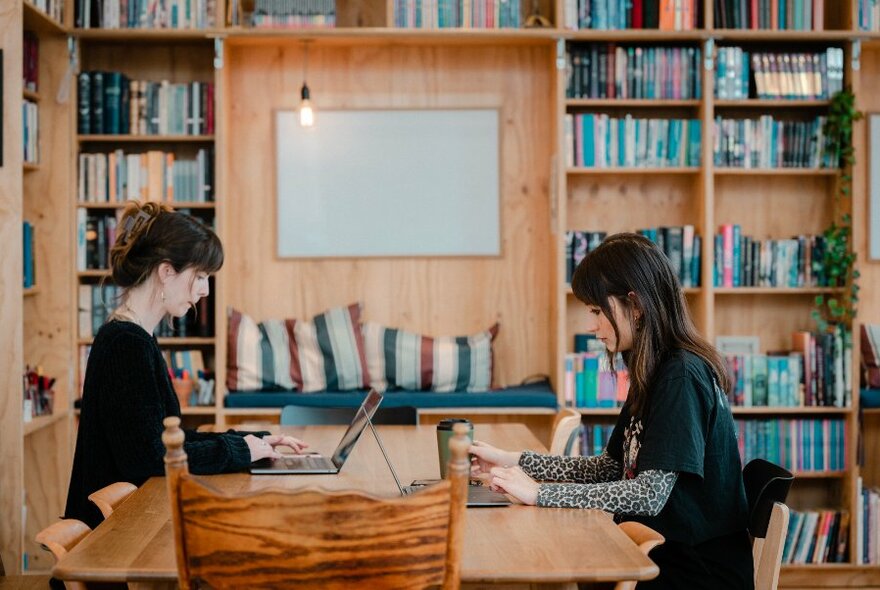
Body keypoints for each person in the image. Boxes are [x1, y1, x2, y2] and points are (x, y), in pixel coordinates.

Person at [470, 233, 753, 589]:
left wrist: (541, 493)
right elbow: (609, 466)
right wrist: (511, 461)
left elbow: (648, 494)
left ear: (635, 307)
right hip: (657, 554)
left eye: (596, 311)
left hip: (695, 572)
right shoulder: (653, 368)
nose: (591, 326)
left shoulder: (680, 376)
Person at [65, 202, 307, 530]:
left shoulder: (134, 337)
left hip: (134, 521)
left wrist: (254, 441)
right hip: (115, 537)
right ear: (167, 272)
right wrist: (240, 450)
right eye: (201, 276)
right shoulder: (126, 344)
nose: (205, 290)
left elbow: (168, 439)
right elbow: (147, 456)